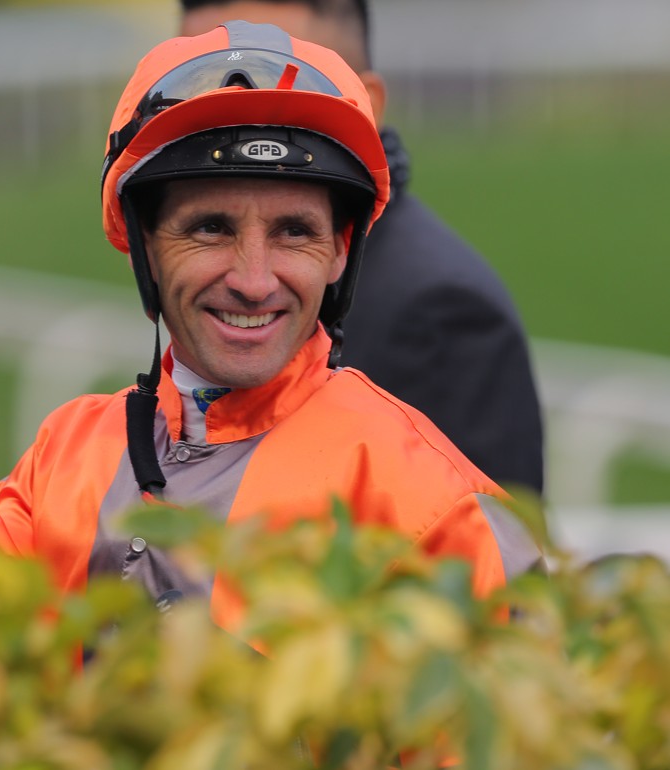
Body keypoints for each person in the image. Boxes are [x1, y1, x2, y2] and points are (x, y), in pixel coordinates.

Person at [0, 21, 538, 631]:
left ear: (341, 254)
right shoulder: (70, 453)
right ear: (145, 245)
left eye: (294, 232)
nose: (254, 280)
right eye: (211, 227)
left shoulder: (437, 504)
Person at [179, 0, 546, 498]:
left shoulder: (437, 308)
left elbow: (483, 557)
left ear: (366, 103)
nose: (232, 115)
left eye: (273, 76)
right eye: (192, 83)